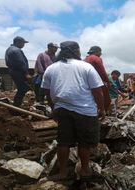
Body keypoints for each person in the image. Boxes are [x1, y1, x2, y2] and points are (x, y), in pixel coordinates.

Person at [41, 41, 105, 182]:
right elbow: (97, 91)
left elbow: (46, 91)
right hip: (85, 111)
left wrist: (53, 108)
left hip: (62, 110)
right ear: (76, 51)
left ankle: (63, 173)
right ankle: (85, 170)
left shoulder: (51, 68)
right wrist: (101, 109)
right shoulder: (86, 67)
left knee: (63, 142)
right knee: (84, 143)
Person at [5, 36, 31, 107]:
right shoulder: (16, 50)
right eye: (23, 43)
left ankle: (18, 103)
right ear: (18, 42)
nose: (23, 45)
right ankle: (17, 104)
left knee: (22, 88)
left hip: (13, 71)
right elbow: (21, 63)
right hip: (18, 72)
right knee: (23, 88)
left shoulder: (9, 49)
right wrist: (26, 73)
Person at [85, 46, 111, 113]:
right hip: (96, 82)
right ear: (97, 52)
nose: (101, 54)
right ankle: (103, 112)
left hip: (85, 83)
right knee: (105, 99)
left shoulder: (85, 59)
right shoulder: (96, 58)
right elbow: (102, 72)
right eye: (100, 52)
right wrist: (107, 82)